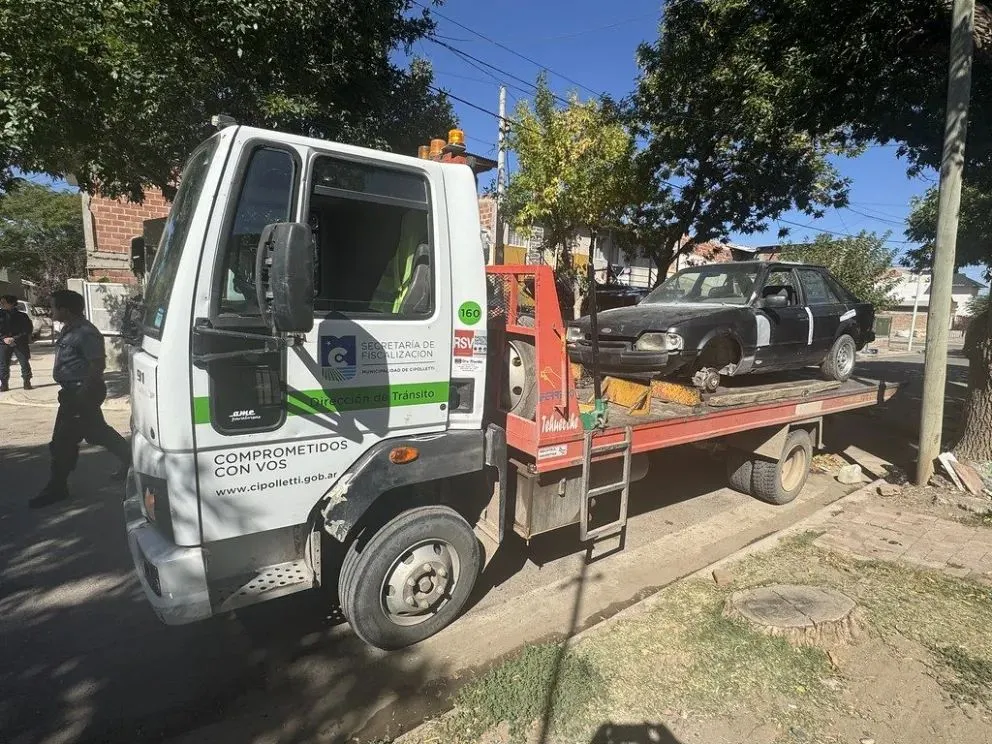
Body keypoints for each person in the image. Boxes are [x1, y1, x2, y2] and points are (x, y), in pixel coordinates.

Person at [30, 289, 131, 509]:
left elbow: (97, 364)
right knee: (97, 433)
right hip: (72, 392)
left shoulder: (85, 332)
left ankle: (57, 488)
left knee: (63, 442)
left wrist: (83, 394)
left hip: (81, 392)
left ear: (65, 309)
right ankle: (132, 462)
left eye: (54, 307)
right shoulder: (69, 329)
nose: (52, 311)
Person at [0, 294, 33, 392]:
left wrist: (14, 338)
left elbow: (27, 329)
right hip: (3, 343)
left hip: (20, 342)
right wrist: (3, 339)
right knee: (3, 364)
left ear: (12, 303)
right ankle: (4, 384)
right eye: (1, 302)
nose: (1, 304)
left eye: (4, 302)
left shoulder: (22, 316)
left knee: (24, 362)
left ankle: (27, 382)